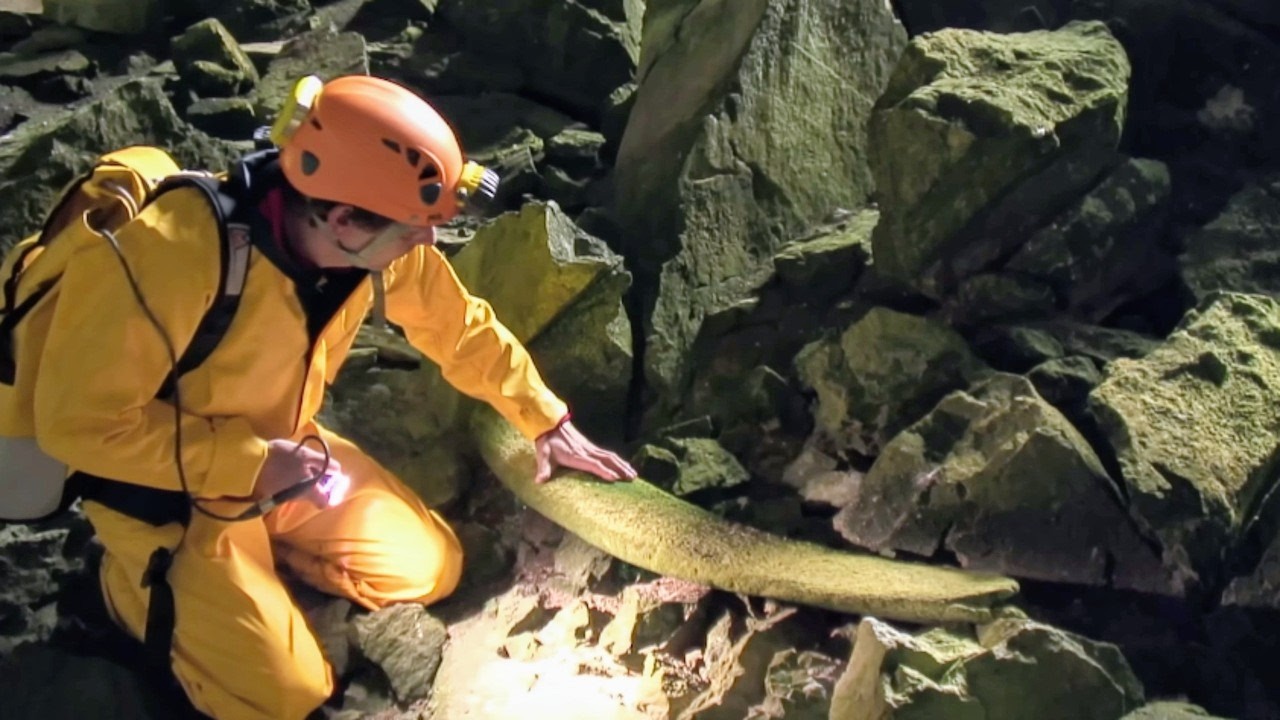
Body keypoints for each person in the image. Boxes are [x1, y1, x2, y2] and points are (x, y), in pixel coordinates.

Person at [20, 74, 636, 719]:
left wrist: (543, 419)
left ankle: (255, 567)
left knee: (431, 570)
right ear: (343, 219)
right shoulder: (170, 255)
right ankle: (127, 587)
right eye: (416, 229)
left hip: (286, 459)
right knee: (288, 697)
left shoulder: (371, 237)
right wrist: (250, 465)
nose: (426, 243)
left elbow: (457, 324)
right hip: (168, 494)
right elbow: (77, 426)